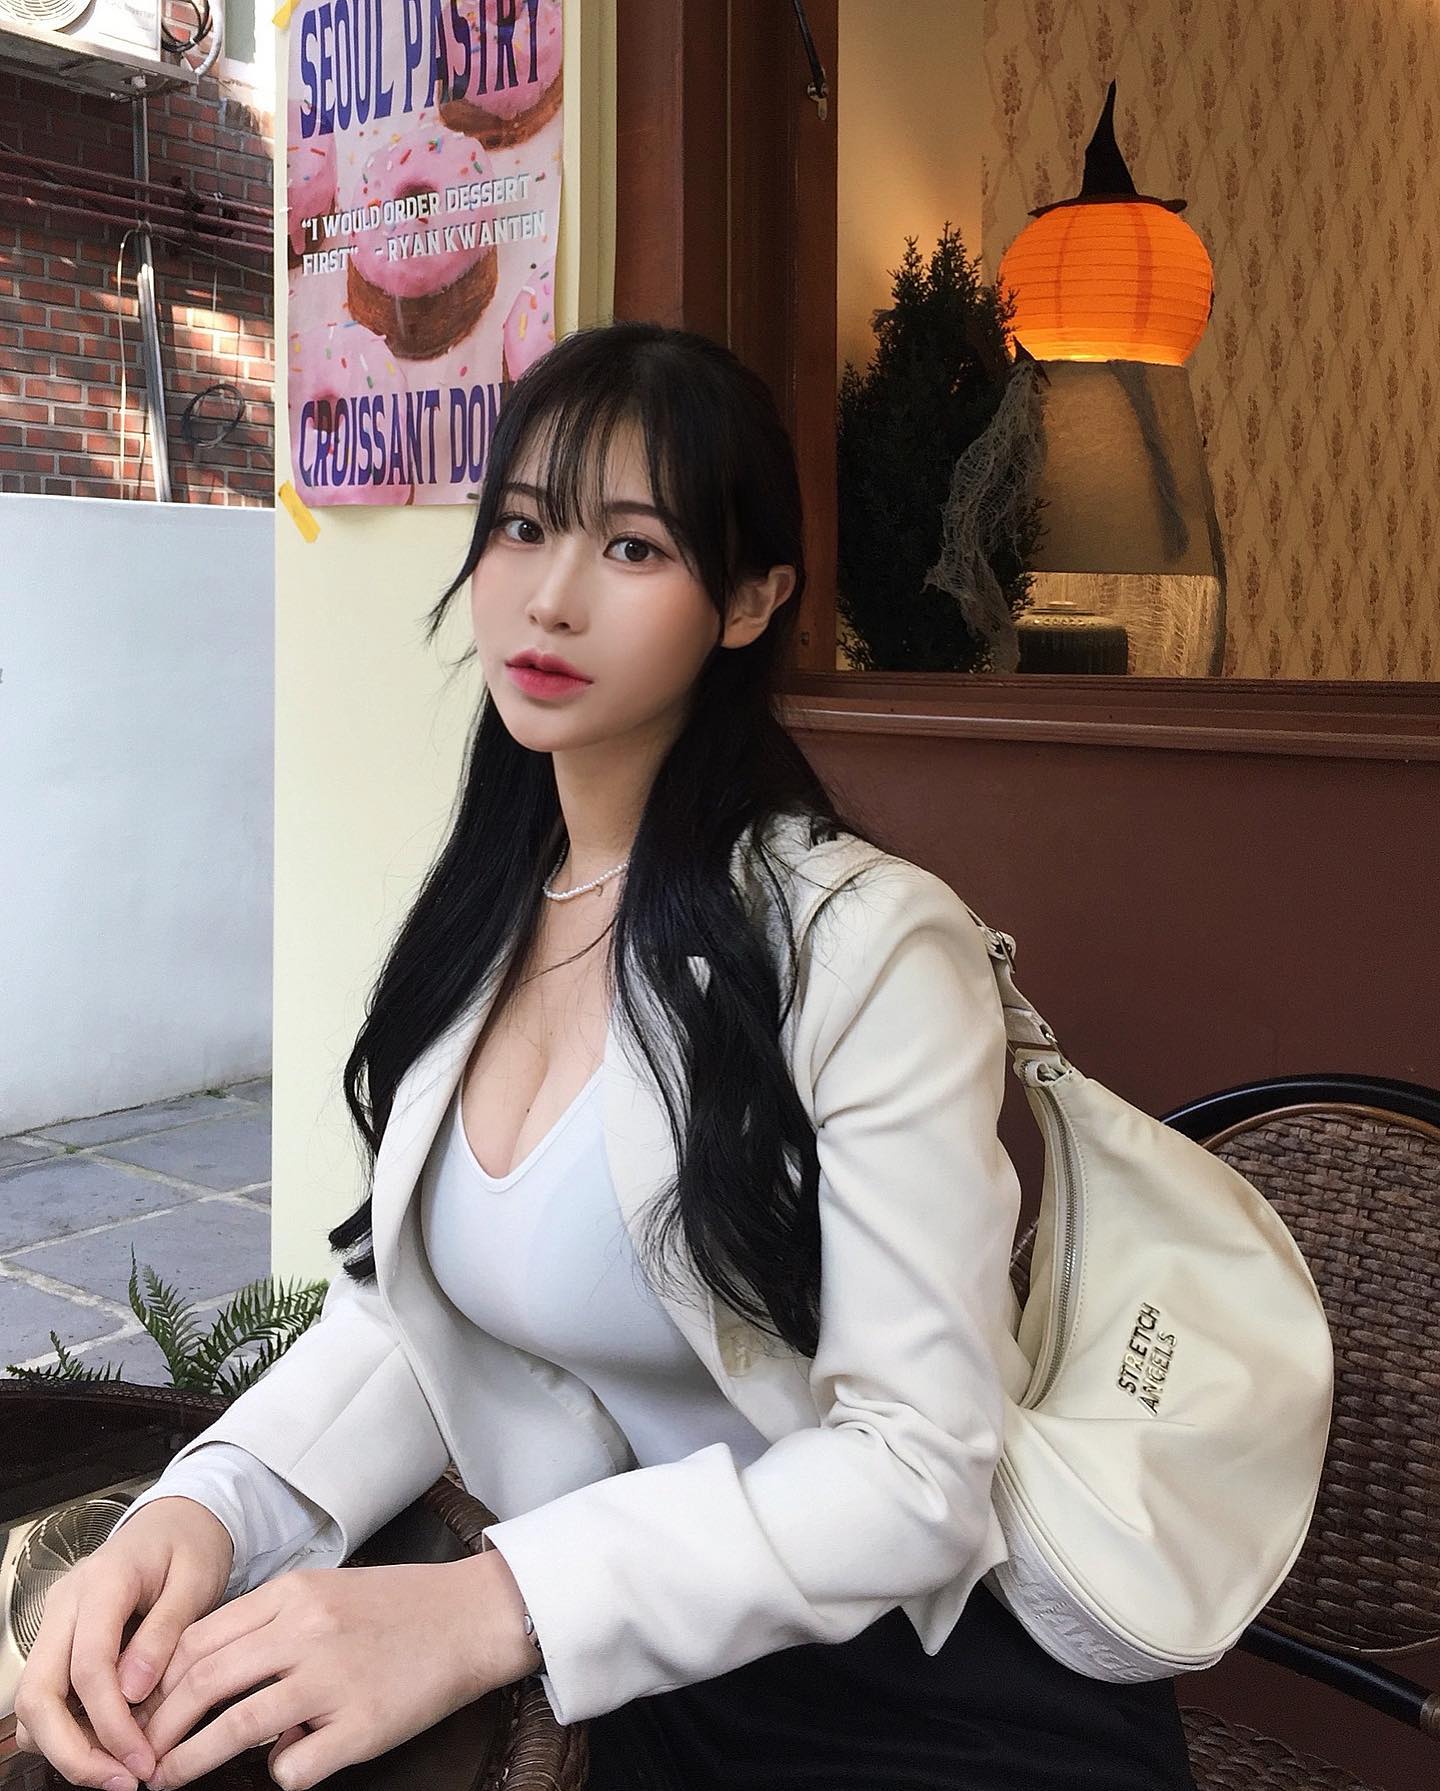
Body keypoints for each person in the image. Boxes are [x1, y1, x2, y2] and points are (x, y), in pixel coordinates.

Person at [14, 320, 1199, 1791]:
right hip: (619, 1675)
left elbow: (918, 1470)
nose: (550, 597)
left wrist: (488, 1606)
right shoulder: (493, 908)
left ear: (751, 600)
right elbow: (421, 1322)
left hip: (911, 1702)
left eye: (633, 549)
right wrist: (207, 1512)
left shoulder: (869, 947)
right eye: (521, 527)